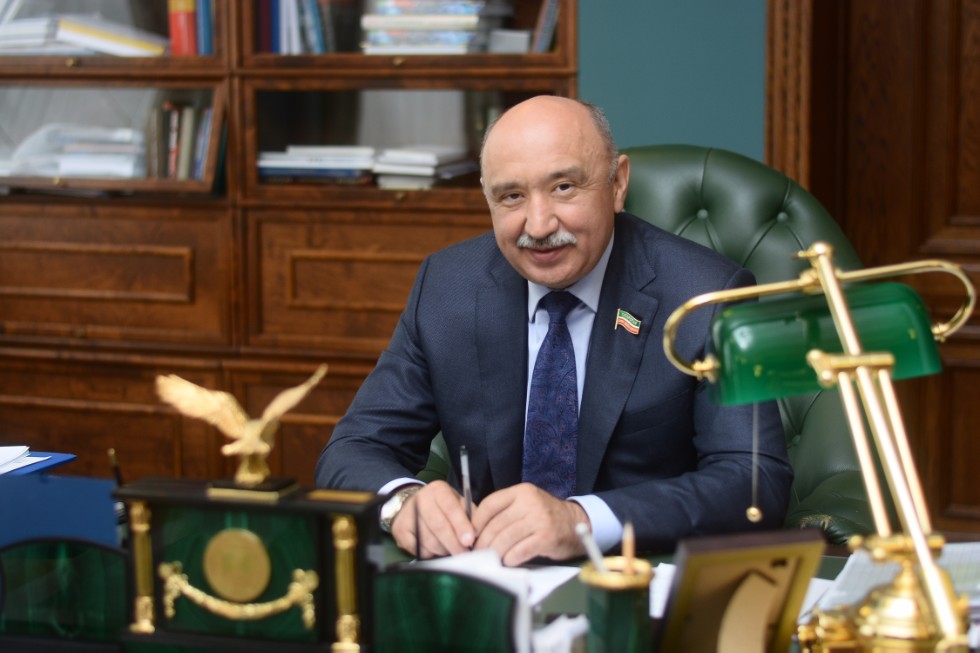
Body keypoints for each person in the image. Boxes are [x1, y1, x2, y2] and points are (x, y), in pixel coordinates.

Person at [316, 95, 793, 566]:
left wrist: (581, 522)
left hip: (633, 578)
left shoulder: (708, 295)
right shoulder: (447, 286)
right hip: (490, 578)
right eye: (512, 196)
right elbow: (353, 449)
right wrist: (402, 501)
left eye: (564, 187)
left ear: (618, 184)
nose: (539, 225)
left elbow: (755, 481)